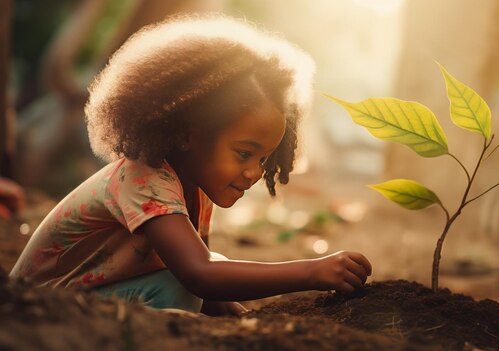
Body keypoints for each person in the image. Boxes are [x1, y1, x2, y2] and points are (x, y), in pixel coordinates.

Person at [9, 15, 372, 316]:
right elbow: (199, 276)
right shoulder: (143, 178)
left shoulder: (195, 188)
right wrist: (312, 270)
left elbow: (202, 274)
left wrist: (241, 318)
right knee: (185, 285)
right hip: (36, 310)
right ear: (187, 135)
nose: (255, 172)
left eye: (263, 159)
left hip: (91, 300)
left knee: (209, 268)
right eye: (244, 153)